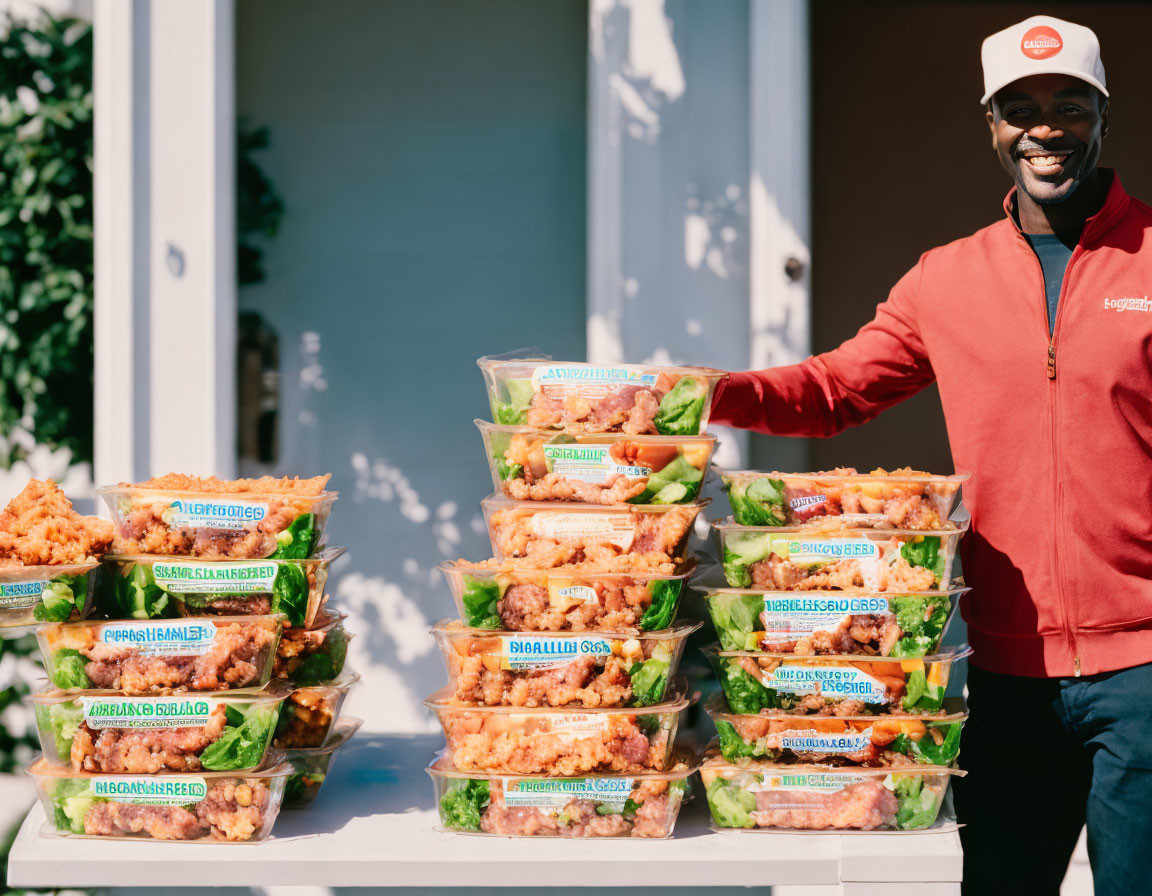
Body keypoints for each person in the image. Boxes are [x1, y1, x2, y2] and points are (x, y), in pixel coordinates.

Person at [709, 15, 1151, 896]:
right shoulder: (946, 278)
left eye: (1068, 104)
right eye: (1019, 109)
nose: (1045, 129)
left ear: (1102, 113)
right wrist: (705, 391)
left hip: (1145, 673)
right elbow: (835, 391)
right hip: (1002, 672)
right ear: (990, 125)